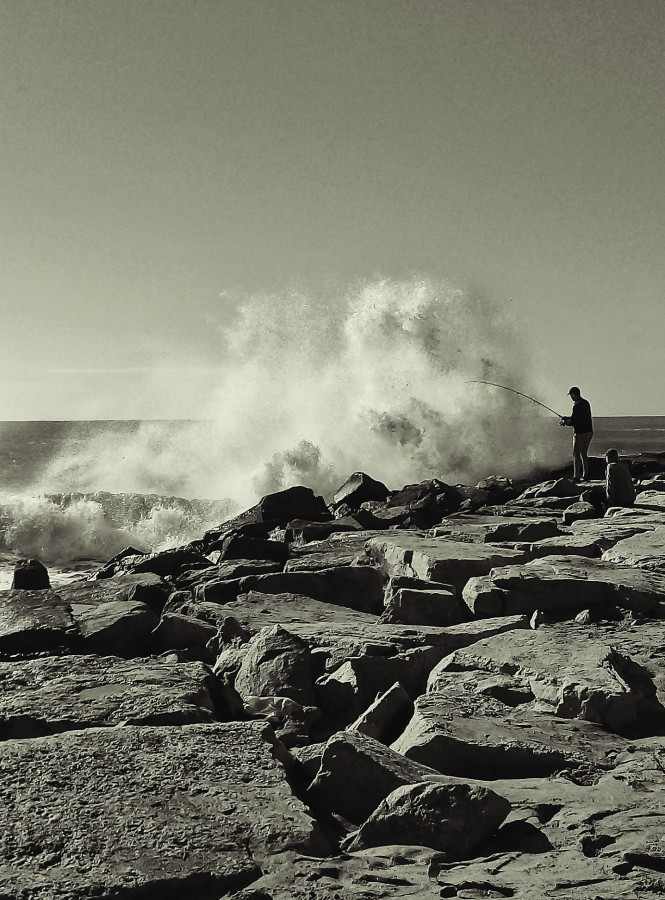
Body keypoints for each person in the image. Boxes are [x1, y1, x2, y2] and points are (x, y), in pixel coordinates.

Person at [560, 386, 593, 482]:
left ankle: (576, 476)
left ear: (574, 394)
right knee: (584, 453)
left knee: (576, 454)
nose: (571, 397)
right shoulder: (586, 403)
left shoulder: (576, 405)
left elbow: (573, 422)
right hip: (589, 432)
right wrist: (567, 418)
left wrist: (564, 422)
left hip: (580, 433)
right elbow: (578, 417)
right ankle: (586, 475)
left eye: (571, 395)